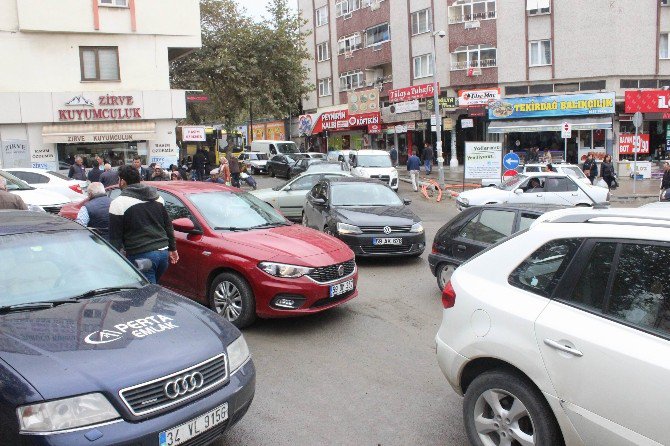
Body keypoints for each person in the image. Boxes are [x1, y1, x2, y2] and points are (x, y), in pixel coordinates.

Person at [109, 165, 179, 284]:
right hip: (163, 253)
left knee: (147, 296)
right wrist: (173, 248)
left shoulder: (118, 203)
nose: (118, 182)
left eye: (119, 179)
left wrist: (114, 262)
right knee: (151, 291)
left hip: (142, 255)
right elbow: (168, 225)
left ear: (123, 181)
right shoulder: (158, 198)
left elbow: (115, 238)